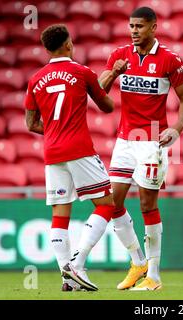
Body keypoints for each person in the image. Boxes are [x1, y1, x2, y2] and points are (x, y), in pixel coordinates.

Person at [98, 7, 183, 291]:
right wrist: (114, 73)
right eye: (131, 26)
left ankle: (154, 275)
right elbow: (99, 91)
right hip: (125, 141)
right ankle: (137, 260)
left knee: (147, 205)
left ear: (153, 27)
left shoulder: (169, 60)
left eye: (139, 26)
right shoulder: (119, 56)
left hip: (151, 141)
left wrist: (176, 129)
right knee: (111, 203)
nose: (134, 31)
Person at [25, 24, 117, 291]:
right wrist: (110, 77)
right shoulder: (81, 72)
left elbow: (31, 123)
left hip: (52, 152)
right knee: (106, 204)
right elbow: (107, 107)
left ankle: (67, 278)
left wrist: (54, 130)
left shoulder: (35, 79)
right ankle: (77, 264)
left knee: (60, 214)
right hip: (79, 149)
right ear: (67, 44)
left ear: (46, 49)